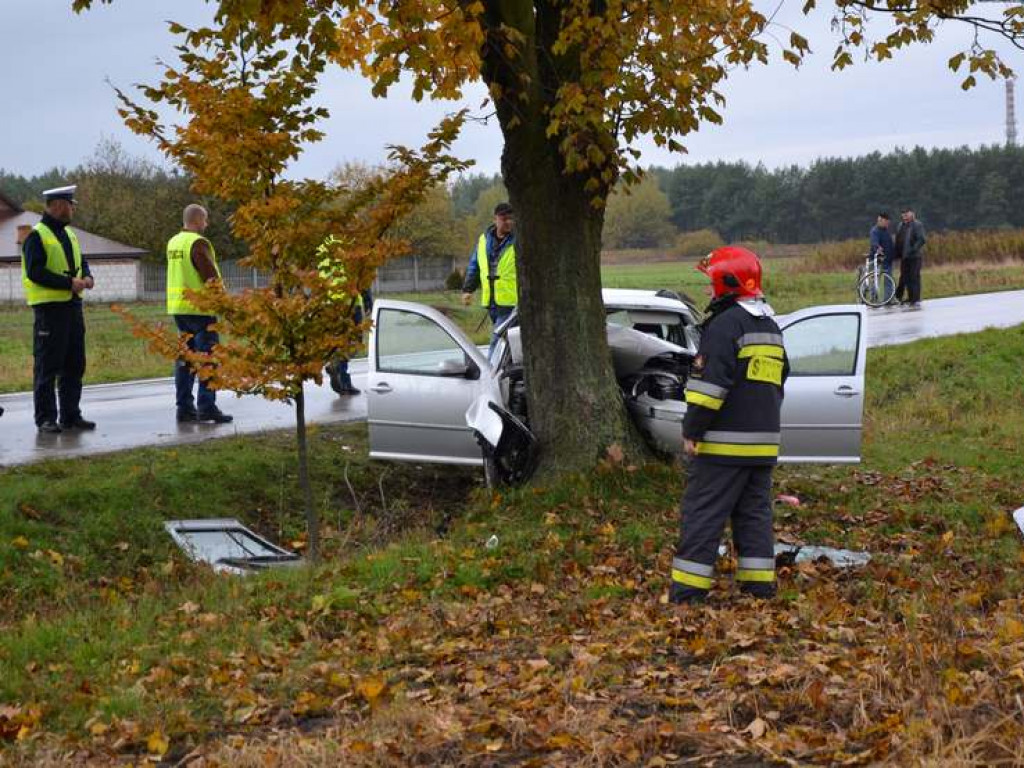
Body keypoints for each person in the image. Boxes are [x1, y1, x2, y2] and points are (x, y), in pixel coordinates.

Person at [670, 246, 790, 605]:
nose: (708, 290)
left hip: (723, 446)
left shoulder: (723, 326)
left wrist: (692, 431)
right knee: (754, 516)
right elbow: (781, 377)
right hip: (763, 445)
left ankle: (688, 594)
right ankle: (758, 589)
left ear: (727, 282)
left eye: (711, 282)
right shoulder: (769, 325)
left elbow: (709, 390)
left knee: (703, 514)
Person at [20, 185, 96, 434]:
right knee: (47, 366)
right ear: (57, 206)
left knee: (75, 364)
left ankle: (70, 415)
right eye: (70, 204)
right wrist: (68, 283)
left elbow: (80, 261)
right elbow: (35, 271)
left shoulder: (70, 234)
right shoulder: (36, 236)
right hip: (49, 310)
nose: (72, 209)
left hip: (72, 307)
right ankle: (45, 418)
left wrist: (87, 275)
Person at [166, 204, 232, 423]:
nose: (207, 223)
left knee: (185, 360)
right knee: (207, 359)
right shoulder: (197, 243)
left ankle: (184, 408)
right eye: (205, 219)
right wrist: (224, 302)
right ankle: (207, 406)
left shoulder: (174, 242)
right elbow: (210, 277)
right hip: (201, 310)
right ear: (196, 220)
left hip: (179, 309)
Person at [318, 235, 370, 396]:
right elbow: (360, 278)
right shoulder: (350, 244)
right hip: (350, 303)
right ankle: (340, 372)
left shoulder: (323, 247)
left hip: (330, 305)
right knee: (355, 342)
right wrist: (368, 299)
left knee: (338, 343)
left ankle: (344, 381)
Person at [461, 202, 517, 352]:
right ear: (495, 219)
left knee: (497, 340)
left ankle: (488, 373)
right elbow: (475, 265)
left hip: (511, 301)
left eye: (511, 218)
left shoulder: (517, 240)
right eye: (504, 219)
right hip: (491, 300)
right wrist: (468, 290)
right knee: (508, 342)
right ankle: (512, 371)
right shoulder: (484, 240)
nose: (508, 222)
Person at [894, 207, 927, 309]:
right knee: (905, 277)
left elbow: (922, 239)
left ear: (912, 214)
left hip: (914, 256)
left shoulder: (917, 225)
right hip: (904, 256)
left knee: (914, 277)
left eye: (907, 214)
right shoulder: (901, 226)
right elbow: (898, 239)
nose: (905, 217)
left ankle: (915, 299)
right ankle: (909, 297)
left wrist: (913, 249)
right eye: (903, 215)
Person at [869, 212, 895, 280]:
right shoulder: (874, 231)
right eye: (886, 222)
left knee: (889, 279)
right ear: (880, 221)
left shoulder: (887, 231)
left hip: (887, 259)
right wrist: (878, 248)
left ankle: (889, 291)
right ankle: (873, 290)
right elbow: (874, 242)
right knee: (875, 280)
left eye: (888, 223)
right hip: (877, 259)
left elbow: (890, 244)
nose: (887, 224)